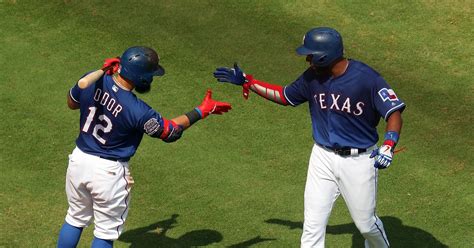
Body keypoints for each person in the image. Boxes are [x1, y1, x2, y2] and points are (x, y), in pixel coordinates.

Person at [213, 27, 405, 248]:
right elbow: (285, 96)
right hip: (322, 158)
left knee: (366, 225)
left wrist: (389, 145)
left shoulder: (366, 78)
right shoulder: (312, 78)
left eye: (310, 54)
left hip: (359, 161)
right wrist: (249, 82)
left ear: (325, 55)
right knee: (312, 225)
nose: (307, 59)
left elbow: (393, 112)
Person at [57, 46, 232, 248]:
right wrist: (200, 111)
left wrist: (103, 76)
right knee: (105, 233)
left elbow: (72, 102)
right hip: (107, 175)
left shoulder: (92, 79)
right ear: (142, 78)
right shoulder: (138, 111)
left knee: (75, 218)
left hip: (79, 161)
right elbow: (170, 132)